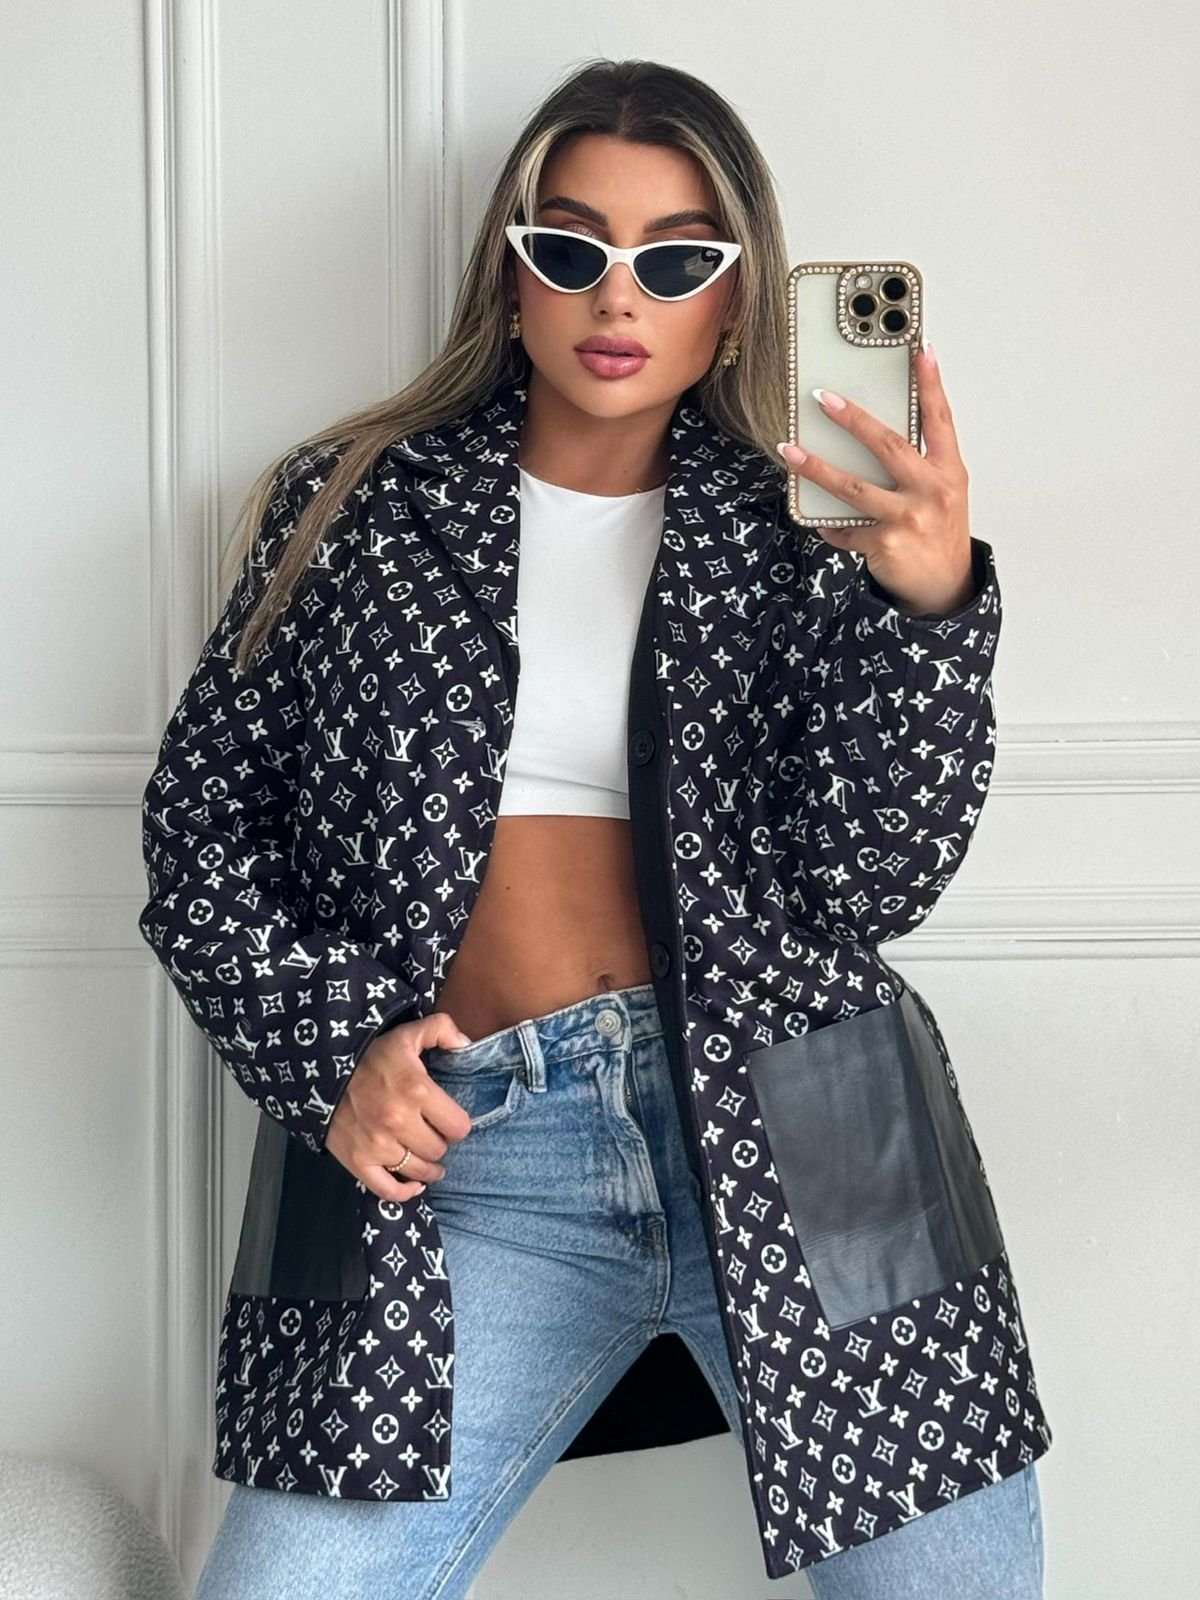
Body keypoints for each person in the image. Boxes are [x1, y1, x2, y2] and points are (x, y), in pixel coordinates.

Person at [141, 55, 1049, 1600]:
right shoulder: (354, 508)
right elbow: (202, 835)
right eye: (570, 248)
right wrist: (336, 1049)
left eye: (676, 261)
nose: (616, 296)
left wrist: (928, 608)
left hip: (811, 1138)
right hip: (472, 1162)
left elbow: (871, 880)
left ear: (734, 304)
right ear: (511, 280)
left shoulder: (805, 536)